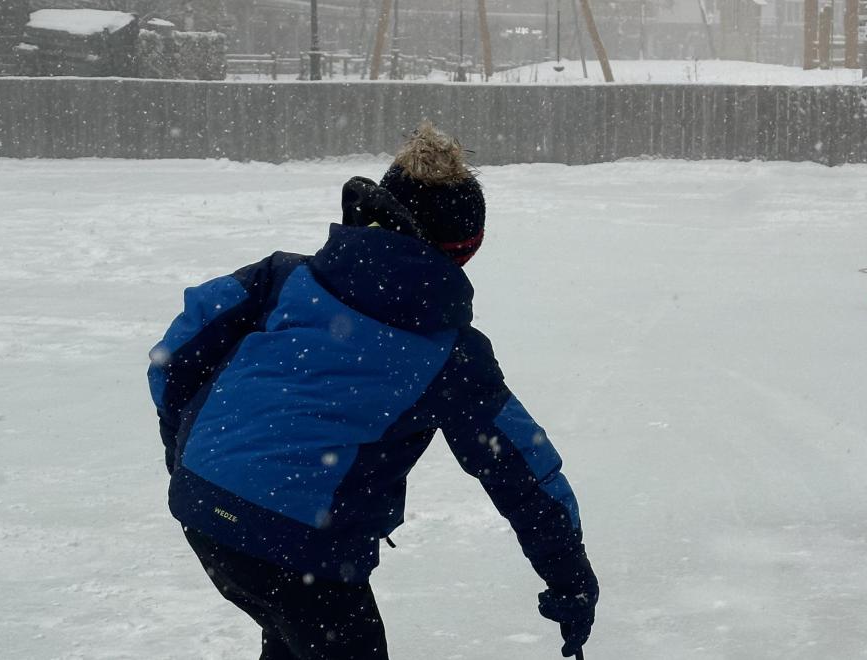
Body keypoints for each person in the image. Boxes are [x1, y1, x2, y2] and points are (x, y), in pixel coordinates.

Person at [147, 123, 598, 660]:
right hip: (302, 545)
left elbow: (175, 357)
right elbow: (523, 472)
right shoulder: (451, 356)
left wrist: (188, 453)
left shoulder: (279, 278)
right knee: (308, 621)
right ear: (462, 253)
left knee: (291, 632)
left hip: (205, 508)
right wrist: (571, 579)